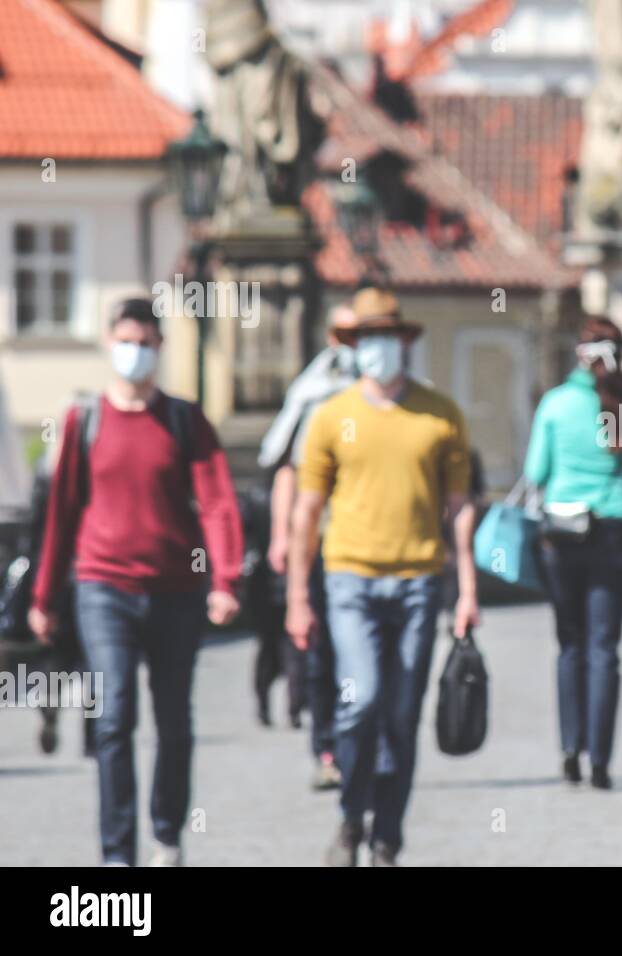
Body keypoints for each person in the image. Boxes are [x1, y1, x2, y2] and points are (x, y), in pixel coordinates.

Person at [27, 296, 243, 866]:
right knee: (114, 713)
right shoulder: (84, 420)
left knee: (174, 721)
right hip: (104, 589)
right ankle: (117, 855)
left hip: (176, 589)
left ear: (160, 348)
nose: (134, 353)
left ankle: (167, 835)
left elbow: (218, 502)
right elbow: (63, 512)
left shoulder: (184, 419)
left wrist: (224, 579)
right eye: (126, 342)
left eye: (145, 344)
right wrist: (45, 595)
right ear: (108, 343)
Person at [285, 287, 478, 866]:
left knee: (402, 713)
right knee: (361, 701)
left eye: (386, 337)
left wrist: (467, 588)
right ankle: (350, 816)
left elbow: (461, 507)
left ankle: (388, 836)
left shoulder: (439, 414)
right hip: (350, 580)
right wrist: (298, 596)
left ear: (404, 342)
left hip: (420, 579)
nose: (378, 348)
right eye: (367, 338)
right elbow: (306, 510)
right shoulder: (332, 416)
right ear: (354, 346)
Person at [524, 317, 622, 790]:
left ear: (579, 355)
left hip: (563, 533)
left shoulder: (556, 404)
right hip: (615, 531)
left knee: (570, 646)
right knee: (604, 648)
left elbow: (535, 469)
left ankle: (569, 750)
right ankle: (601, 761)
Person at [257, 303, 360, 789]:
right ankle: (326, 747)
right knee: (319, 650)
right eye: (343, 332)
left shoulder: (389, 394)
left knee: (364, 652)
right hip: (319, 539)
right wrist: (282, 534)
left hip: (370, 541)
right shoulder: (313, 391)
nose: (353, 342)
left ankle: (363, 741)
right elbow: (286, 470)